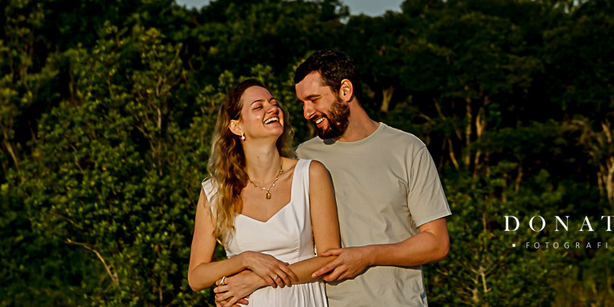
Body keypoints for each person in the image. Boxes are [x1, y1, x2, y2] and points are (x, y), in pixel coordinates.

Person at [215, 49, 451, 307]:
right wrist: (242, 281)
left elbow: (436, 243)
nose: (307, 112)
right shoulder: (302, 159)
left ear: (345, 91)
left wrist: (367, 255)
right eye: (302, 103)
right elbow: (272, 235)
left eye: (314, 99)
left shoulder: (407, 149)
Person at [189, 79, 342, 307]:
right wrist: (246, 259)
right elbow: (196, 277)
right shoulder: (215, 191)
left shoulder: (310, 174)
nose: (273, 108)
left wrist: (257, 278)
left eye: (273, 103)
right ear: (236, 127)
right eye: (258, 106)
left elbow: (330, 259)